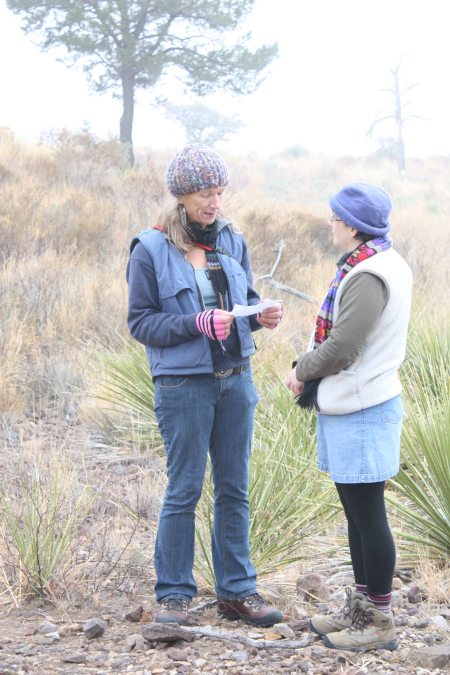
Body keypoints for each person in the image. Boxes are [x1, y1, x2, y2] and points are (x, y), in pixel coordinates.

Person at [126, 143, 283, 627]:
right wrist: (197, 323)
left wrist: (262, 317)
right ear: (180, 195)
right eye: (203, 194)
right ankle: (174, 596)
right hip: (182, 388)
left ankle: (237, 593)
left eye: (218, 192)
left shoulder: (232, 239)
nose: (214, 203)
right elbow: (141, 323)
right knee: (185, 489)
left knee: (234, 490)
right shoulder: (150, 248)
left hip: (237, 381)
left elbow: (243, 304)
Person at [286, 182, 412, 653]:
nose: (330, 223)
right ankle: (361, 611)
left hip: (362, 406)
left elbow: (341, 347)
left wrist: (301, 369)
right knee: (358, 516)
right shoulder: (382, 260)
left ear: (354, 226)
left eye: (335, 218)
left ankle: (377, 621)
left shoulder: (368, 274)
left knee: (367, 516)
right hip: (360, 404)